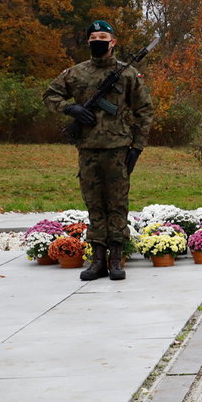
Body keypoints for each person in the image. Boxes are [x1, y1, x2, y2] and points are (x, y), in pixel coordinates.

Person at [43, 20, 154, 281]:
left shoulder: (127, 74)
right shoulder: (76, 73)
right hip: (89, 148)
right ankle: (97, 260)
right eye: (93, 37)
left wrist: (137, 147)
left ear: (113, 41)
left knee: (117, 204)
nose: (98, 40)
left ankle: (116, 258)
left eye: (103, 36)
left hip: (118, 149)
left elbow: (145, 111)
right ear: (88, 42)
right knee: (94, 204)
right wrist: (70, 109)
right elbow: (50, 96)